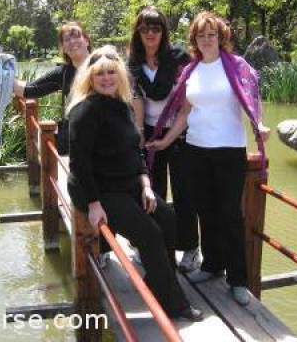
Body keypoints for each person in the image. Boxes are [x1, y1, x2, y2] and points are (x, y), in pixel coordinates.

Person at [66, 45, 203, 321]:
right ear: (90, 78)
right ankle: (174, 304)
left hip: (128, 183)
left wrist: (146, 184)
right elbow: (79, 164)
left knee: (167, 219)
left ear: (119, 76)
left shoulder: (122, 106)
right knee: (149, 235)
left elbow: (134, 151)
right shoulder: (85, 111)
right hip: (98, 189)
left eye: (111, 73)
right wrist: (93, 204)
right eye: (100, 74)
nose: (106, 78)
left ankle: (158, 281)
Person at [147, 12, 270, 306]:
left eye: (211, 34)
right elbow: (186, 113)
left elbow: (252, 100)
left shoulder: (237, 67)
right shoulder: (190, 71)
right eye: (201, 35)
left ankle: (238, 279)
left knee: (230, 213)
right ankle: (212, 264)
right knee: (205, 209)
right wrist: (165, 139)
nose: (206, 39)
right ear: (195, 40)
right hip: (195, 149)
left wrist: (260, 125)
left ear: (221, 37)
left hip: (229, 149)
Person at [128, 6, 200, 273]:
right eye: (145, 28)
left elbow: (185, 107)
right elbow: (136, 103)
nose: (150, 33)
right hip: (149, 133)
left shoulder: (178, 58)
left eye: (156, 28)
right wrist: (139, 136)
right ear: (138, 32)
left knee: (184, 192)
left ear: (163, 32)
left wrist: (168, 139)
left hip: (179, 133)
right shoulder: (133, 63)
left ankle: (191, 249)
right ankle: (152, 244)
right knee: (152, 192)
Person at [13, 21, 91, 99]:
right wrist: (5, 77)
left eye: (76, 36)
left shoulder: (101, 65)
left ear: (86, 41)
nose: (72, 41)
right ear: (63, 48)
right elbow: (30, 90)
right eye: (67, 39)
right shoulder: (63, 73)